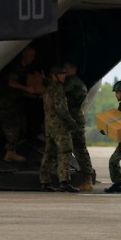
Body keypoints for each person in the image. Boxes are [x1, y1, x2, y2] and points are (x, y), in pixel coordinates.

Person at [0, 45, 44, 163]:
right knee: (13, 126)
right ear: (24, 54)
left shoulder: (24, 68)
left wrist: (34, 94)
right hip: (4, 100)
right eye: (31, 55)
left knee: (8, 122)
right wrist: (27, 88)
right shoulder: (16, 67)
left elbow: (19, 88)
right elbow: (11, 82)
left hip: (13, 100)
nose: (33, 58)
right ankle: (10, 153)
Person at [39, 65, 80, 193]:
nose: (64, 77)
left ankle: (44, 182)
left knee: (49, 153)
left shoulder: (48, 88)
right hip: (60, 127)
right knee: (65, 152)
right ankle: (64, 182)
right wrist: (72, 124)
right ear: (55, 76)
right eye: (61, 74)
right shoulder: (58, 89)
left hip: (49, 126)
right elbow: (62, 110)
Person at [63, 60, 95, 192]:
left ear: (72, 69)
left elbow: (60, 91)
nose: (64, 71)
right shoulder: (75, 81)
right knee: (76, 149)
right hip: (73, 120)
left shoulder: (73, 82)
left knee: (79, 149)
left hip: (74, 121)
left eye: (66, 68)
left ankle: (87, 179)